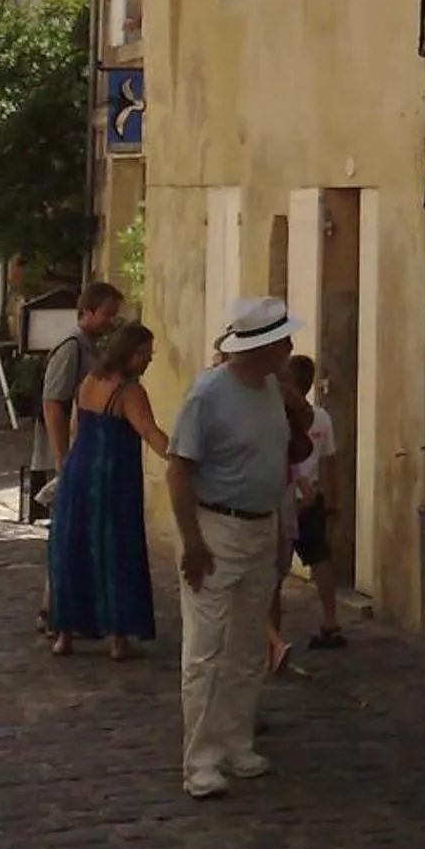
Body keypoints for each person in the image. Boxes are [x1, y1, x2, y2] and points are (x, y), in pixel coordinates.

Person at [167, 296, 295, 799]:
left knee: (246, 645)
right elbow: (179, 469)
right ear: (262, 345)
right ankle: (199, 760)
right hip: (217, 527)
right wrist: (192, 542)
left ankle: (236, 742)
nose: (289, 347)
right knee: (206, 648)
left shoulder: (270, 389)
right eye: (282, 340)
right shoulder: (208, 395)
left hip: (261, 528)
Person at [48, 320, 168, 662]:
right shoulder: (129, 392)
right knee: (116, 549)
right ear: (128, 353)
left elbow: (75, 426)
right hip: (112, 476)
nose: (147, 360)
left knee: (73, 548)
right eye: (143, 354)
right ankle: (118, 636)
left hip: (78, 470)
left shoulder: (90, 382)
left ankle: (65, 633)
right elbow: (148, 431)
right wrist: (182, 457)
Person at [36, 280, 123, 630]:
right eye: (106, 315)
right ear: (86, 312)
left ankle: (52, 606)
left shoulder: (90, 347)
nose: (111, 321)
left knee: (71, 533)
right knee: (68, 533)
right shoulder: (72, 347)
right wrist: (63, 459)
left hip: (84, 452)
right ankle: (53, 608)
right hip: (72, 454)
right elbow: (53, 403)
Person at [268, 352, 344, 671]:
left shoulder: (278, 414)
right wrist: (333, 500)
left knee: (272, 571)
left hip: (284, 495)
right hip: (310, 495)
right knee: (320, 558)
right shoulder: (322, 418)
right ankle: (330, 621)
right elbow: (331, 462)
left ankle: (273, 636)